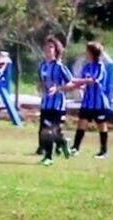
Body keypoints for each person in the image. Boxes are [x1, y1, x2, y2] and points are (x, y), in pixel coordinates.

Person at [37, 35, 80, 166]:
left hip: (57, 105)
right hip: (45, 104)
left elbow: (72, 84)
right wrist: (40, 86)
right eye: (47, 46)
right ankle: (62, 142)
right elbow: (41, 82)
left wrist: (58, 88)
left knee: (49, 131)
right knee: (44, 132)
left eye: (51, 47)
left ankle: (49, 157)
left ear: (56, 50)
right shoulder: (42, 66)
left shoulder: (60, 67)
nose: (48, 49)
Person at [67, 41, 110, 159]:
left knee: (102, 126)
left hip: (98, 103)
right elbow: (83, 82)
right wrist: (70, 86)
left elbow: (93, 80)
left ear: (92, 53)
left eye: (87, 51)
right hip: (87, 102)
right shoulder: (87, 67)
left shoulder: (100, 66)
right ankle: (75, 148)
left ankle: (103, 151)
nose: (86, 53)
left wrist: (77, 81)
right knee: (81, 124)